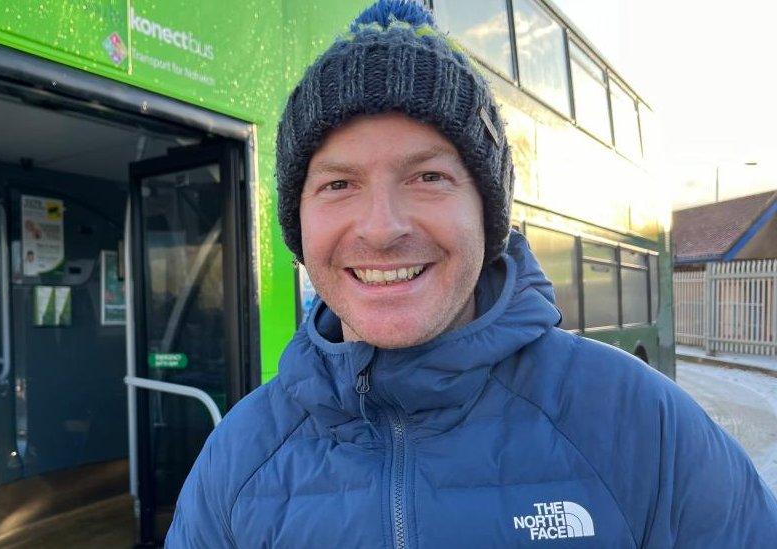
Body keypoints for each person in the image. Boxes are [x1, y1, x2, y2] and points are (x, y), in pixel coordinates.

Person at [166, 1, 777, 547]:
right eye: (338, 184)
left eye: (428, 177)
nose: (381, 228)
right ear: (299, 226)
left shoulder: (643, 425)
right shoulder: (236, 460)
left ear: (488, 217)